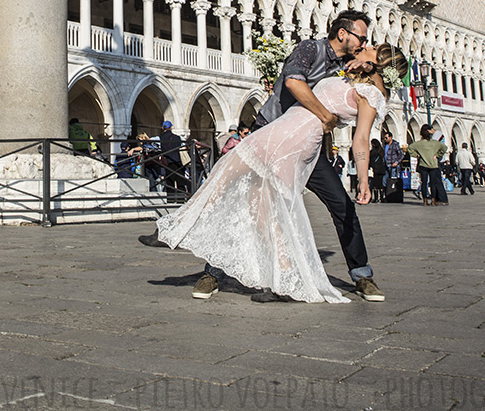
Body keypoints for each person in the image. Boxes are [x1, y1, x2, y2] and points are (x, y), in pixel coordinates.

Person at [157, 43, 408, 303]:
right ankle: (213, 266)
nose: (364, 44)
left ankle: (357, 274)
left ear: (376, 63)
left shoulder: (363, 86)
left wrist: (364, 180)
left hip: (301, 144)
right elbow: (291, 81)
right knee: (247, 195)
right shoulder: (318, 54)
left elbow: (361, 137)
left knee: (330, 205)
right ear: (343, 33)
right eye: (362, 38)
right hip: (277, 130)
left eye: (370, 45)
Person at [409, 125, 448, 206]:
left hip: (423, 165)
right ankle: (433, 200)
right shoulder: (435, 143)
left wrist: (417, 155)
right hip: (433, 165)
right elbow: (444, 148)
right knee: (433, 183)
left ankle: (425, 201)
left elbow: (410, 148)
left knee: (424, 183)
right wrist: (437, 155)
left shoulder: (419, 144)